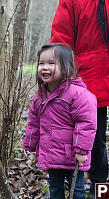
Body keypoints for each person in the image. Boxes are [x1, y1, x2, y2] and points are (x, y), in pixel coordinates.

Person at [50, 0, 109, 198]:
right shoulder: (72, 2)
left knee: (97, 140)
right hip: (89, 81)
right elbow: (61, 41)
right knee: (95, 139)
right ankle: (99, 192)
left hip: (93, 78)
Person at [24, 43, 97, 199]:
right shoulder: (40, 96)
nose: (44, 67)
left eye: (51, 63)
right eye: (41, 63)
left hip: (74, 155)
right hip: (51, 154)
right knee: (55, 188)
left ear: (66, 67)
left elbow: (86, 124)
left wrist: (81, 150)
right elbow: (34, 122)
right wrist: (30, 143)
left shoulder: (78, 94)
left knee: (76, 190)